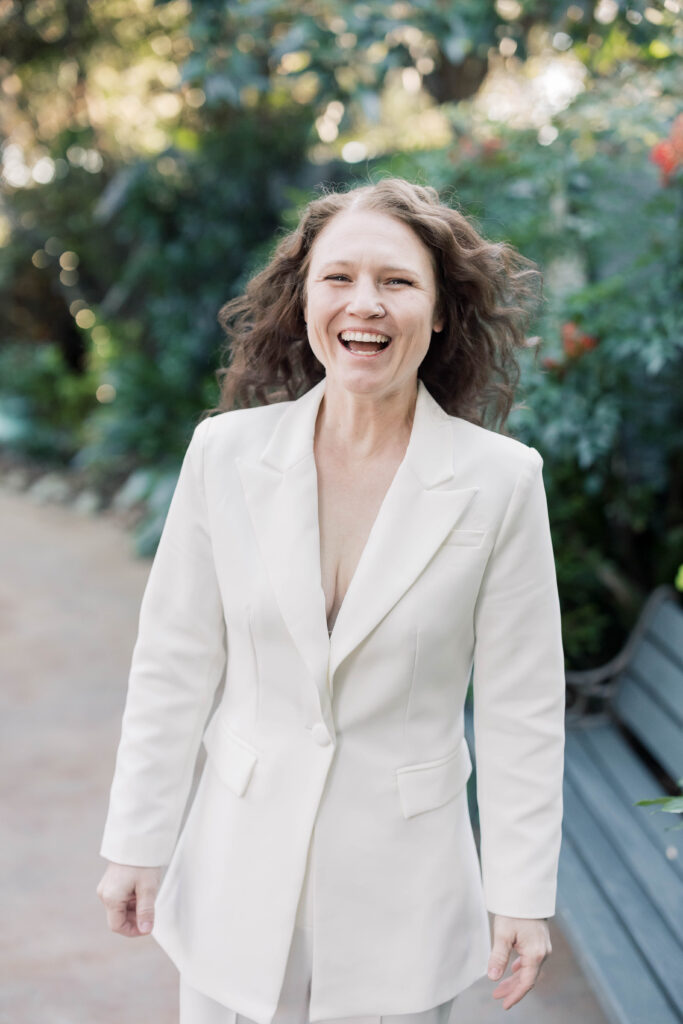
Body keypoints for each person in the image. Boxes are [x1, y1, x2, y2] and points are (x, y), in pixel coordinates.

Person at [96, 177, 565, 1024]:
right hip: (233, 873)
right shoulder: (224, 455)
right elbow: (173, 662)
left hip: (403, 892)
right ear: (304, 297)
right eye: (338, 277)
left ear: (441, 310)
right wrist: (136, 841)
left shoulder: (501, 483)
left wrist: (521, 894)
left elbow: (520, 707)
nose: (365, 305)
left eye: (396, 281)